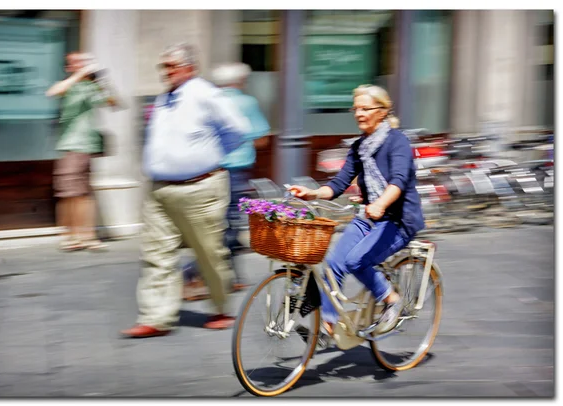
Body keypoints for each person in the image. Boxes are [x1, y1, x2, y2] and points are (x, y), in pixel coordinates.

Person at [121, 43, 251, 338]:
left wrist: (210, 156)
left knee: (209, 254)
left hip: (200, 187)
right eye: (163, 66)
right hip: (160, 190)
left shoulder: (205, 93)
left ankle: (220, 308)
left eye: (171, 66)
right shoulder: (164, 98)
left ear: (189, 67)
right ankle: (156, 317)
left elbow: (238, 130)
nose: (166, 72)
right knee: (156, 254)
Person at [289, 84, 425, 337]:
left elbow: (398, 181)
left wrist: (381, 204)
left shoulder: (398, 142)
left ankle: (391, 299)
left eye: (366, 109)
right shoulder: (359, 147)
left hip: (398, 220)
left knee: (356, 260)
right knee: (333, 263)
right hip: (369, 218)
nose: (359, 114)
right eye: (356, 109)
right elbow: (339, 184)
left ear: (382, 111)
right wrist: (313, 193)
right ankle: (327, 328)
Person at [182, 62, 270, 300]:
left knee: (221, 224)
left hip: (209, 170)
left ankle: (230, 277)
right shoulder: (245, 102)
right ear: (240, 81)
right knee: (229, 227)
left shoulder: (209, 101)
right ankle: (190, 272)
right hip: (235, 171)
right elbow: (260, 137)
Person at [46, 52, 118, 252]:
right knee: (68, 193)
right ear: (69, 67)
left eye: (84, 62)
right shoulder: (69, 85)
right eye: (76, 63)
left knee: (83, 194)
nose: (82, 65)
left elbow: (113, 103)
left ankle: (86, 236)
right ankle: (69, 236)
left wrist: (101, 80)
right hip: (71, 145)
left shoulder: (90, 86)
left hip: (87, 146)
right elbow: (52, 92)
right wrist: (79, 75)